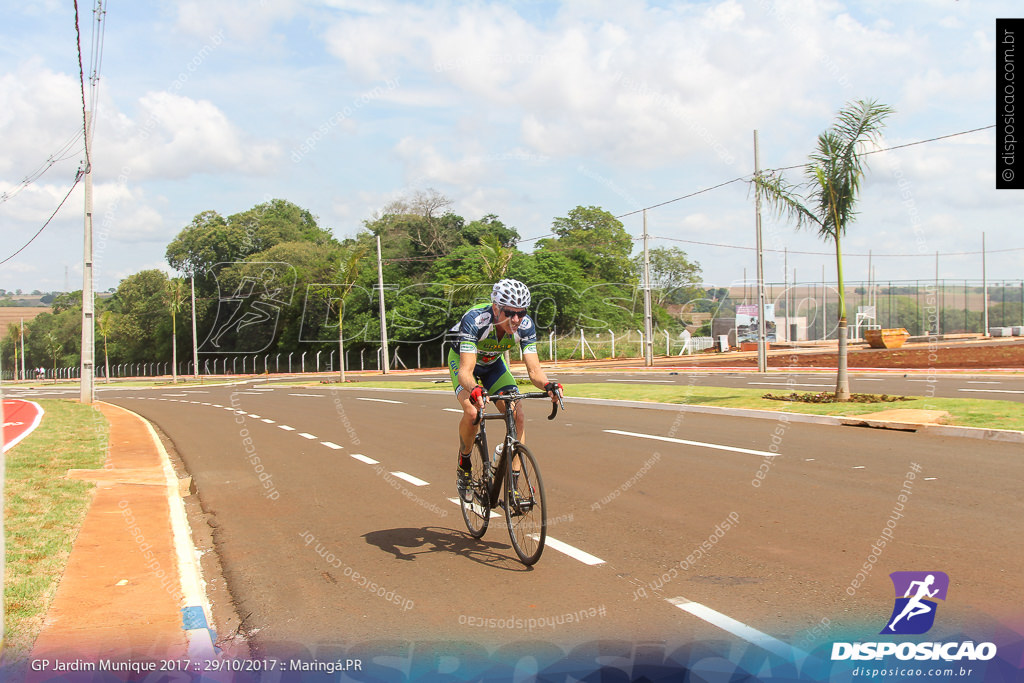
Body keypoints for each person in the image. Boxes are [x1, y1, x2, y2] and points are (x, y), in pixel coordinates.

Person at [447, 278, 562, 498]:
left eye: (521, 312)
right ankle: (464, 464)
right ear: (495, 307)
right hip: (465, 364)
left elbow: (534, 371)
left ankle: (513, 488)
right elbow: (465, 372)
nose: (516, 319)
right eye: (510, 312)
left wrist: (548, 385)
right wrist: (475, 389)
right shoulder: (475, 320)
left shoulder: (525, 326)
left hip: (493, 366)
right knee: (473, 412)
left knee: (518, 414)